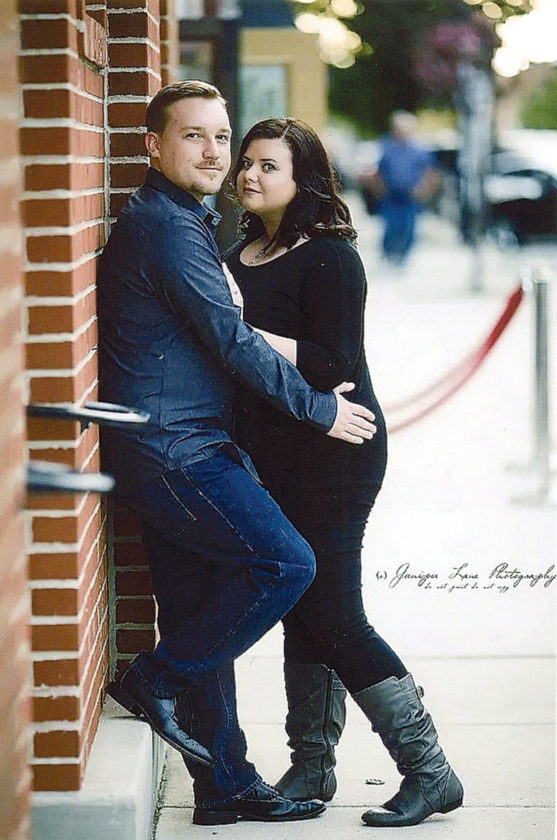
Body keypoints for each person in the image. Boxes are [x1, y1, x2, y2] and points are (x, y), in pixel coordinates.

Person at [97, 81, 377, 826]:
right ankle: (155, 678)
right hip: (175, 450)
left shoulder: (188, 222)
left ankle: (224, 785)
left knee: (199, 608)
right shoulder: (167, 228)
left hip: (175, 443)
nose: (215, 152)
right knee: (285, 564)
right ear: (153, 146)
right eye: (194, 135)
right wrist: (319, 409)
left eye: (221, 136)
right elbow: (231, 340)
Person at [225, 117, 463, 828]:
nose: (249, 174)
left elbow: (332, 365)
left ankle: (429, 771)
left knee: (333, 612)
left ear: (303, 179)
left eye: (268, 165)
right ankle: (311, 766)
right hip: (273, 457)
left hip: (338, 452)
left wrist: (235, 327)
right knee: (302, 606)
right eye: (246, 162)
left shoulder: (330, 258)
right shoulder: (239, 255)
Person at [374, 110, 439, 267]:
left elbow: (430, 172)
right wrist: (379, 189)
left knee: (409, 227)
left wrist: (424, 189)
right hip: (391, 194)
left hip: (411, 195)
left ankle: (403, 257)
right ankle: (389, 253)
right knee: (390, 226)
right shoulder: (386, 147)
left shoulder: (419, 150)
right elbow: (379, 171)